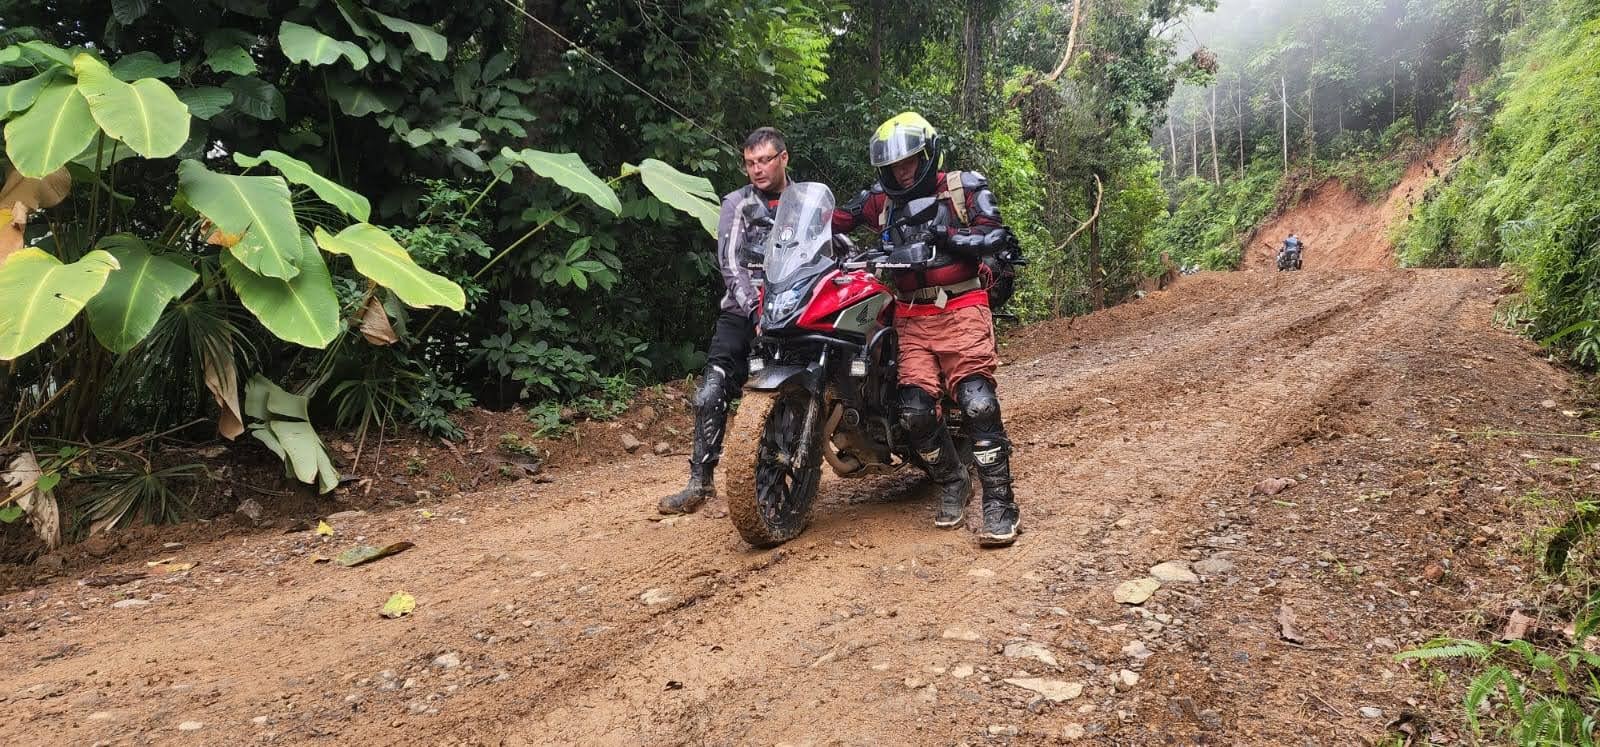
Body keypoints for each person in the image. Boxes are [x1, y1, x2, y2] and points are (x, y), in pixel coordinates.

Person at [831, 112, 1021, 546]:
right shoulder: (880, 201)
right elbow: (834, 219)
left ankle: (999, 504)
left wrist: (948, 237)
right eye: (894, 166)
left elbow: (996, 236)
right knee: (914, 412)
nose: (902, 172)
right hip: (909, 314)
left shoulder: (961, 187)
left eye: (910, 162)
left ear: (927, 155)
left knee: (977, 403)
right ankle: (953, 480)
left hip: (961, 306)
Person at [658, 127, 792, 514]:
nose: (757, 169)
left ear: (783, 158)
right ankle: (699, 482)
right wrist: (755, 308)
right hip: (742, 311)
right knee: (711, 391)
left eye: (764, 160)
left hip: (794, 309)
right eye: (750, 163)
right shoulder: (737, 203)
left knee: (784, 395)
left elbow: (826, 245)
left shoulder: (804, 201)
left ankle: (775, 486)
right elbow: (731, 264)